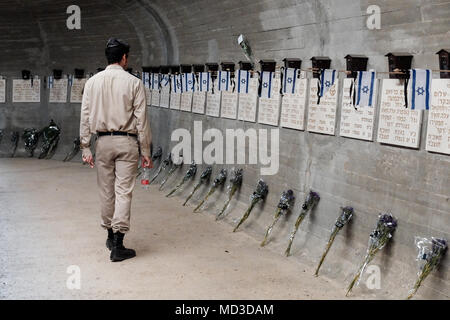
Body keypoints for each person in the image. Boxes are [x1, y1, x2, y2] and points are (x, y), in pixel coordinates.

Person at [79, 38, 153, 262]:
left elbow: (85, 115)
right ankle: (119, 244)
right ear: (124, 58)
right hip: (127, 142)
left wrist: (85, 146)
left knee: (106, 191)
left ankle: (110, 236)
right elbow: (142, 120)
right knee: (123, 191)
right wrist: (146, 151)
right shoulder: (134, 83)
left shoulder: (92, 82)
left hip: (102, 142)